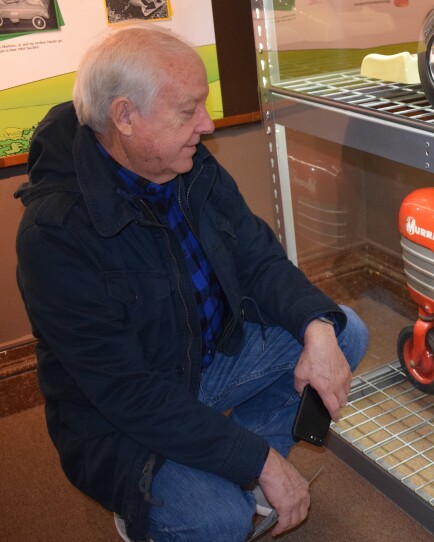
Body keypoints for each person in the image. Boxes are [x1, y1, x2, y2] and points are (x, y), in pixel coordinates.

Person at [15, 24, 368, 542]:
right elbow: (129, 393)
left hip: (202, 355)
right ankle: (161, 507)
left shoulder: (189, 164)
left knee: (341, 331)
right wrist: (264, 461)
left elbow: (257, 257)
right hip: (119, 411)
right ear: (125, 117)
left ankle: (230, 468)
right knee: (215, 521)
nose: (208, 125)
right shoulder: (55, 234)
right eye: (188, 111)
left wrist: (316, 328)